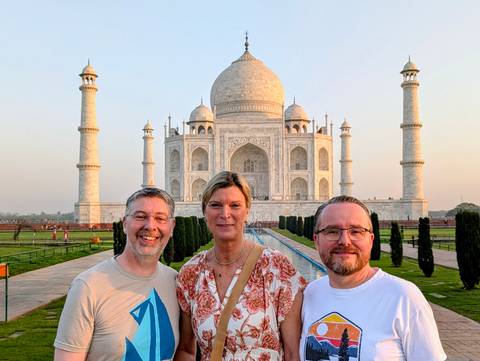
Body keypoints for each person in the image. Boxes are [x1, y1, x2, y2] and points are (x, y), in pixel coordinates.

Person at [175, 171, 307, 361]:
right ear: (204, 211)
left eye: (235, 205)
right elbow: (187, 350)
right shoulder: (191, 272)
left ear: (247, 211)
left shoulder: (276, 268)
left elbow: (293, 353)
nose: (225, 214)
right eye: (215, 205)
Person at [300, 195, 446, 361]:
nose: (345, 241)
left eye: (356, 231)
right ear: (316, 240)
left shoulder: (403, 297)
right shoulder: (310, 294)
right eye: (332, 231)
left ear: (371, 240)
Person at [54, 188, 179, 361]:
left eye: (160, 218)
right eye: (140, 216)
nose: (150, 226)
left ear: (172, 227)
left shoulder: (175, 282)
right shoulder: (89, 286)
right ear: (124, 224)